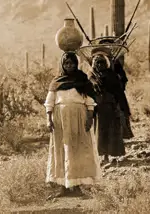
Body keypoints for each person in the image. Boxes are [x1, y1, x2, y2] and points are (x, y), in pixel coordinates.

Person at [44, 52, 101, 198]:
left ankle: (77, 186)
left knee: (78, 149)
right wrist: (49, 119)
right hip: (60, 120)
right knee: (61, 150)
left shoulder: (83, 80)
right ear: (62, 65)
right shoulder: (56, 82)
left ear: (76, 64)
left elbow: (89, 101)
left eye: (72, 63)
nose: (69, 66)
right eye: (66, 63)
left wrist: (89, 118)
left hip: (79, 118)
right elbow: (49, 103)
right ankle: (63, 186)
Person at [91, 52, 131, 163]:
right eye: (97, 63)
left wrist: (121, 109)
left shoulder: (112, 75)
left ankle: (113, 155)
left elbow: (119, 93)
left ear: (106, 63)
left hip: (111, 107)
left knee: (112, 131)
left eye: (102, 62)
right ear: (94, 64)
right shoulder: (92, 77)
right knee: (100, 132)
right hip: (98, 109)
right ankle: (104, 156)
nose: (100, 65)